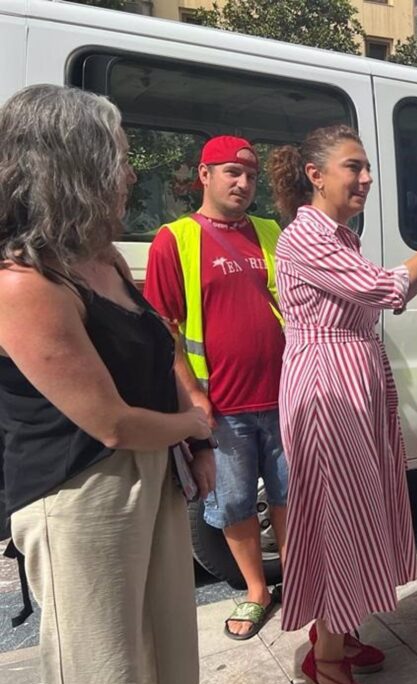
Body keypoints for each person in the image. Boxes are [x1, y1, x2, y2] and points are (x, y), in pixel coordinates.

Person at [0, 84, 211, 684]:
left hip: (152, 473)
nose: (129, 174)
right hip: (80, 498)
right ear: (72, 167)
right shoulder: (25, 282)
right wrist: (196, 426)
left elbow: (159, 334)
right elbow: (112, 423)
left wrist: (190, 411)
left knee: (168, 657)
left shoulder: (102, 256)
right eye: (117, 157)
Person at [266, 124, 417, 684]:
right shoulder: (308, 236)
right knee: (338, 515)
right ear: (315, 174)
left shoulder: (338, 236)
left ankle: (335, 629)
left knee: (360, 507)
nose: (365, 179)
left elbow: (386, 295)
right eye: (352, 167)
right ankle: (325, 656)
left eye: (365, 168)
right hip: (328, 387)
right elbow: (387, 289)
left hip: (350, 377)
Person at [145, 134, 289, 641]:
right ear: (204, 176)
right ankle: (257, 591)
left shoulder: (271, 231)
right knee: (232, 506)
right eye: (231, 172)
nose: (243, 183)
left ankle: (296, 581)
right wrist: (193, 394)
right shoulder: (176, 239)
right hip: (223, 408)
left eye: (250, 175)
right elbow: (163, 328)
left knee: (289, 497)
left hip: (284, 397)